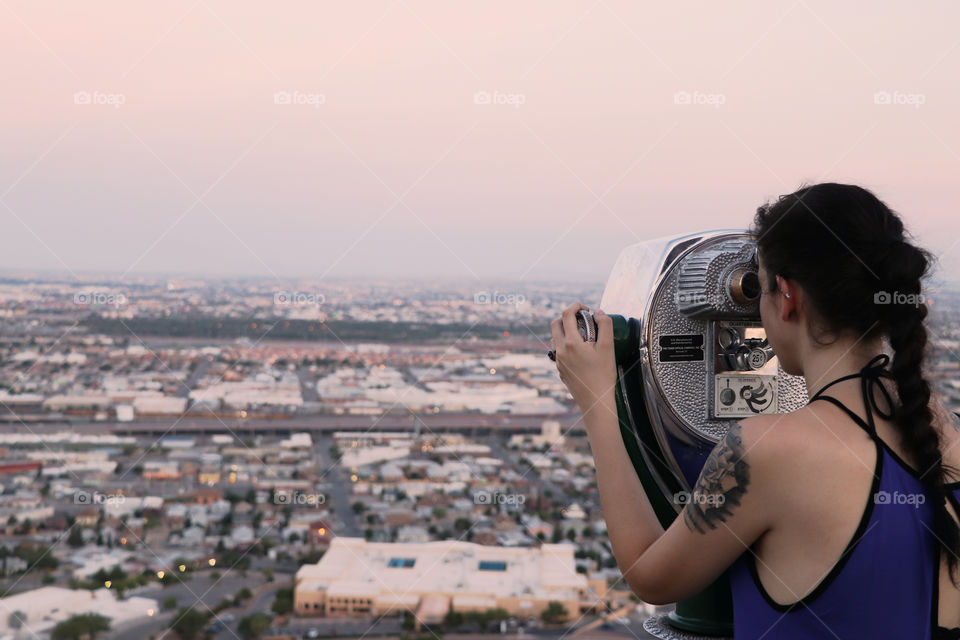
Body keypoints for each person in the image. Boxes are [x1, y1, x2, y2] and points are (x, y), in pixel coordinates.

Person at [550, 183, 960, 638]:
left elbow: (652, 577)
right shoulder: (940, 427)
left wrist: (597, 400)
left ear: (786, 296)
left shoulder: (768, 452)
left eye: (758, 289)